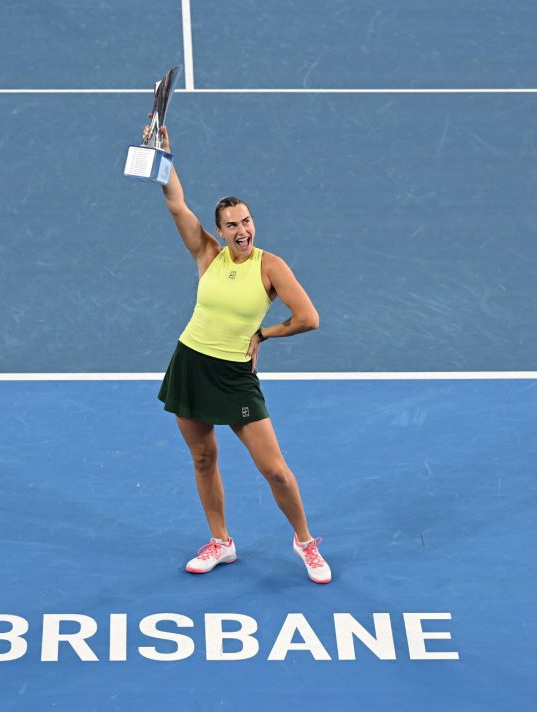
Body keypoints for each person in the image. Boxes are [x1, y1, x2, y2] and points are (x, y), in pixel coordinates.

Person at [149, 120, 332, 584]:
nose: (241, 230)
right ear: (220, 230)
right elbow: (176, 205)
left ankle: (305, 543)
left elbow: (308, 318)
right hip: (190, 363)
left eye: (246, 221)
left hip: (234, 377)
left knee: (275, 471)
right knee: (203, 459)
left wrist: (264, 335)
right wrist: (164, 159)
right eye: (232, 224)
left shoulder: (271, 267)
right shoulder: (207, 255)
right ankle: (221, 541)